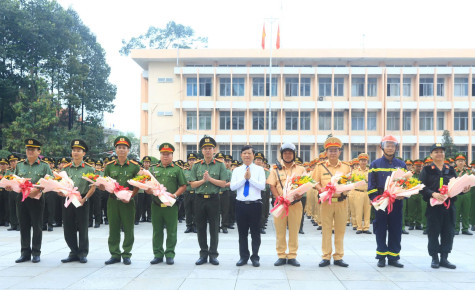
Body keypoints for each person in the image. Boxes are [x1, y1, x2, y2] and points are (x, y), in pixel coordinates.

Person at [419, 143, 470, 269]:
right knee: (433, 232)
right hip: (434, 207)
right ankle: (435, 258)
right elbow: (421, 187)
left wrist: (464, 190)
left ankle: (444, 258)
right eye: (436, 152)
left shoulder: (450, 169)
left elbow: (455, 187)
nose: (439, 154)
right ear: (431, 154)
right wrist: (433, 194)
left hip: (449, 206)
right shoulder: (426, 170)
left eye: (441, 151)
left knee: (448, 232)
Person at [368, 135, 406, 268]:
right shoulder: (375, 164)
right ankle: (381, 256)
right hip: (381, 202)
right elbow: (371, 186)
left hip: (396, 202)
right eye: (387, 145)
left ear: (396, 148)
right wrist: (375, 200)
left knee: (396, 229)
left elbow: (406, 184)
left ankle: (394, 257)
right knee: (380, 229)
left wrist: (403, 194)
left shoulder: (401, 165)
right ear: (382, 147)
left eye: (392, 146)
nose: (390, 148)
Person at [12, 139, 52, 263]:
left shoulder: (44, 166)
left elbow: (50, 183)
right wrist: (10, 186)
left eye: (33, 149)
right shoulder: (19, 165)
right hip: (22, 199)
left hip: (37, 199)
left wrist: (39, 191)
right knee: (23, 226)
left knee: (37, 226)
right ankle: (25, 253)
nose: (30, 151)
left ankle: (36, 252)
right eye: (28, 149)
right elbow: (15, 180)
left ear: (38, 151)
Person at [312, 137, 351, 267]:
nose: (333, 153)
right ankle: (326, 256)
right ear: (326, 152)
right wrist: (320, 189)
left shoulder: (346, 167)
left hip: (341, 202)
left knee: (340, 230)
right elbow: (314, 182)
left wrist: (345, 190)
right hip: (326, 203)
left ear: (339, 152)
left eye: (335, 150)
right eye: (330, 150)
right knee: (326, 230)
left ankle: (339, 257)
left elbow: (351, 182)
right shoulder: (320, 167)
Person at [102, 136, 140, 265]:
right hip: (113, 201)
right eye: (119, 148)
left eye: (124, 148)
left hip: (128, 202)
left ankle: (127, 254)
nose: (121, 150)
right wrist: (101, 186)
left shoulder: (134, 167)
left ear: (128, 150)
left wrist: (131, 196)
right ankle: (115, 254)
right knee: (113, 228)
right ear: (115, 150)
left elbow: (138, 185)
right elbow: (104, 182)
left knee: (129, 228)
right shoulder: (109, 166)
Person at [267, 143, 306, 267]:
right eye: (285, 153)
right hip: (280, 204)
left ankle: (292, 255)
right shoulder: (275, 169)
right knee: (280, 231)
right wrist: (277, 197)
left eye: (290, 153)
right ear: (282, 155)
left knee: (294, 231)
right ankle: (281, 255)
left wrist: (300, 194)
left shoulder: (301, 169)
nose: (287, 155)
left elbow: (305, 184)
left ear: (294, 154)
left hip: (295, 204)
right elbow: (272, 185)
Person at [189, 136, 227, 266]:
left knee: (214, 227)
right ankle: (203, 254)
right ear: (201, 150)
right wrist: (203, 180)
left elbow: (223, 183)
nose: (207, 151)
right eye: (205, 148)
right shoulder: (196, 165)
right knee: (200, 227)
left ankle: (213, 254)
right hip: (199, 199)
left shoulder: (220, 165)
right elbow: (192, 184)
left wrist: (210, 179)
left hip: (214, 199)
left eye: (210, 148)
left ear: (214, 150)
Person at [148, 143, 187, 265]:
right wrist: (148, 190)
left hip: (171, 206)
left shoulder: (177, 169)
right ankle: (158, 254)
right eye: (163, 154)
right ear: (160, 155)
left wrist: (175, 195)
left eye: (168, 154)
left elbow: (183, 185)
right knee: (157, 231)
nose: (165, 156)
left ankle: (170, 254)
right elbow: (146, 184)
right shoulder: (153, 169)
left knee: (171, 231)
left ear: (172, 155)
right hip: (156, 205)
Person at [61, 139, 96, 263]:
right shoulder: (65, 169)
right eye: (74, 150)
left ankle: (82, 253)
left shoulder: (89, 169)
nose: (76, 153)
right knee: (68, 227)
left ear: (84, 153)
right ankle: (73, 251)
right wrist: (59, 191)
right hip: (68, 199)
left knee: (82, 227)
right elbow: (60, 184)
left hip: (82, 199)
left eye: (79, 151)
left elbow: (93, 186)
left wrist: (85, 198)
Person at [230, 145, 266, 267]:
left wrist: (250, 179)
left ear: (253, 155)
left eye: (249, 153)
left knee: (256, 232)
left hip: (255, 205)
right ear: (241, 155)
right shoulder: (236, 170)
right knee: (242, 233)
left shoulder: (260, 170)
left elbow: (262, 186)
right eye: (244, 153)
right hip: (240, 205)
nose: (247, 155)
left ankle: (255, 257)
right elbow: (232, 187)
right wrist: (243, 179)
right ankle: (243, 257)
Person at [453, 154, 473, 235]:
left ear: (465, 162)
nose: (461, 162)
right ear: (456, 162)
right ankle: (456, 228)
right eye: (459, 161)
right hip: (457, 194)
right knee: (456, 212)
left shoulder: (468, 172)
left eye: (462, 161)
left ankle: (465, 228)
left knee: (466, 212)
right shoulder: (453, 172)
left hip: (467, 194)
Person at [353, 153, 371, 234]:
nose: (363, 162)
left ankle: (366, 227)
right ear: (359, 162)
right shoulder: (355, 171)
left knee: (367, 211)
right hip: (358, 193)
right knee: (358, 211)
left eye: (365, 161)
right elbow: (351, 182)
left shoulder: (370, 171)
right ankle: (359, 227)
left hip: (367, 193)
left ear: (367, 161)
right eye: (361, 160)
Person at [184, 153, 197, 233]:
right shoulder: (184, 171)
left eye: (193, 160)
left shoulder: (198, 170)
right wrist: (188, 182)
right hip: (187, 193)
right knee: (188, 210)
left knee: (196, 210)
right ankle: (188, 226)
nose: (191, 161)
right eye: (190, 160)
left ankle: (195, 226)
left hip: (196, 193)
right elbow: (182, 181)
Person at [6, 154, 20, 231]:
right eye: (11, 161)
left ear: (17, 161)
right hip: (10, 191)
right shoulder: (8, 171)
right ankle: (13, 224)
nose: (13, 163)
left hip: (18, 191)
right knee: (11, 208)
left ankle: (19, 225)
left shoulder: (21, 170)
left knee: (18, 209)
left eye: (14, 161)